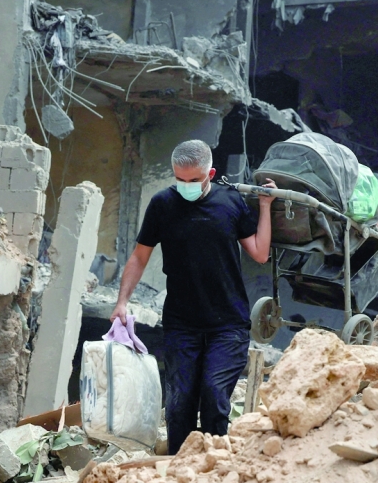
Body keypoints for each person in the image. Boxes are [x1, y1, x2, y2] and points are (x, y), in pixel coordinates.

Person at [111, 140, 274, 455]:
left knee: (214, 394)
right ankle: (177, 470)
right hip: (181, 323)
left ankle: (212, 468)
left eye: (193, 180)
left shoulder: (230, 203)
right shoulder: (162, 205)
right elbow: (139, 257)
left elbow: (260, 252)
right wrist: (122, 302)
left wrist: (265, 208)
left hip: (227, 323)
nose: (185, 186)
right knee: (179, 401)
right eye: (179, 179)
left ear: (210, 173)